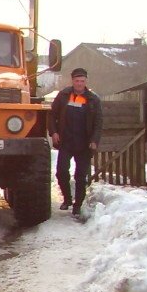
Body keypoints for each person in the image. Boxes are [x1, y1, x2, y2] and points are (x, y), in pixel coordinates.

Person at [49, 67, 103, 214]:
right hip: (66, 141)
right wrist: (53, 132)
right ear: (72, 81)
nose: (79, 84)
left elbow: (98, 123)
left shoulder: (93, 99)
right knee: (61, 172)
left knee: (81, 175)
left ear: (86, 81)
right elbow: (52, 116)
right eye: (77, 81)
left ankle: (78, 204)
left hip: (84, 143)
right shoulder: (63, 95)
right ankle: (67, 199)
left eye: (82, 81)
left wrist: (94, 140)